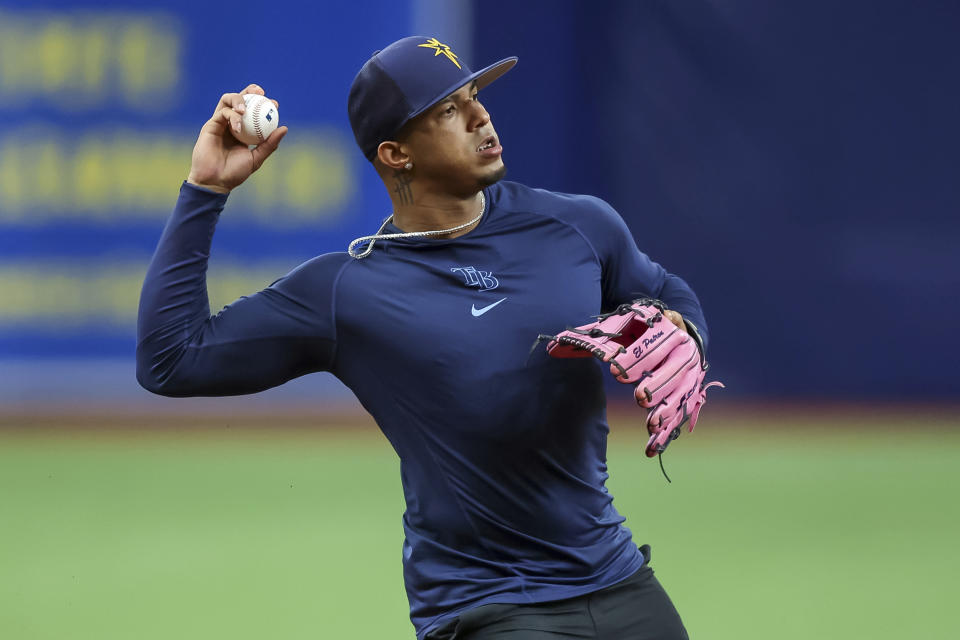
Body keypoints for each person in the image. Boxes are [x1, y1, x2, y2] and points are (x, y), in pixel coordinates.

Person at [137, 35, 709, 640]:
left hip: (617, 580)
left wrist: (682, 326)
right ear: (396, 153)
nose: (481, 117)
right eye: (448, 110)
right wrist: (206, 192)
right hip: (488, 608)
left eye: (473, 97)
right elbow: (172, 360)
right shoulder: (347, 291)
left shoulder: (578, 226)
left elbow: (664, 289)